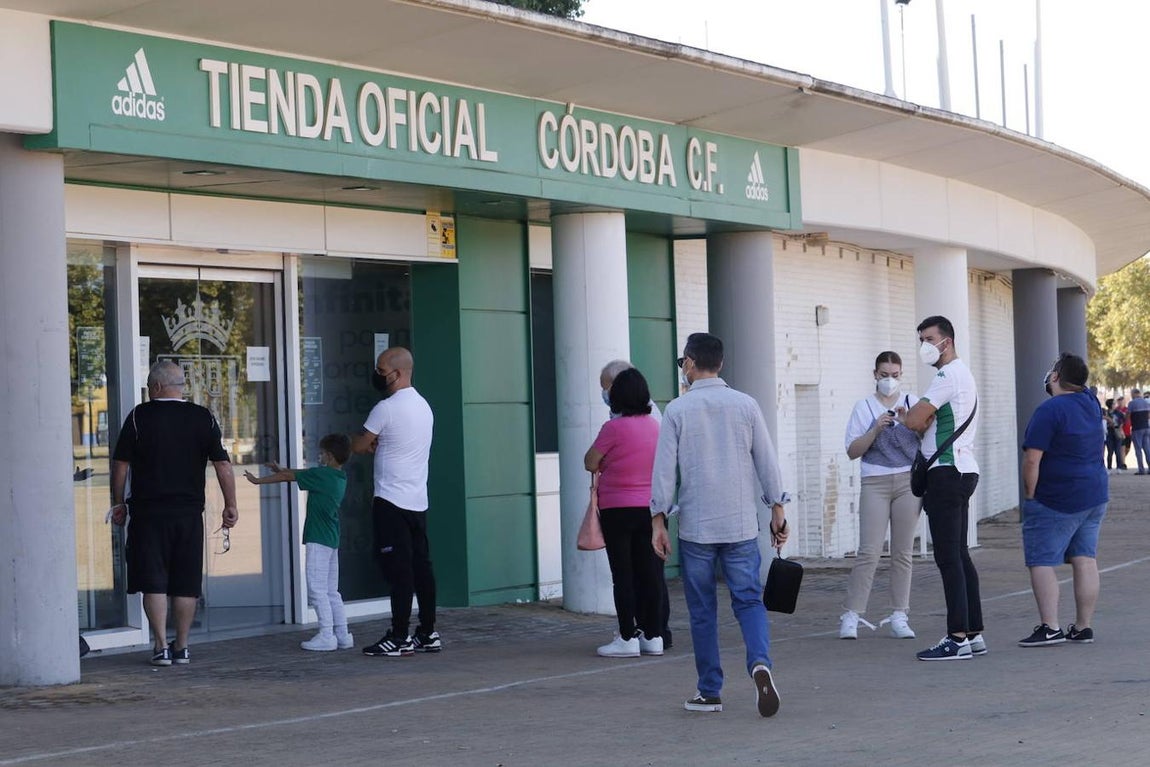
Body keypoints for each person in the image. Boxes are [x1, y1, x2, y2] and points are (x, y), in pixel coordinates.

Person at [650, 332, 788, 717]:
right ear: (721, 364)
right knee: (748, 600)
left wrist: (658, 520)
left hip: (697, 525)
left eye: (683, 364)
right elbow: (766, 459)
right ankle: (760, 664)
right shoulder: (746, 405)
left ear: (691, 363)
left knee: (702, 609)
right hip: (741, 522)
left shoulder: (677, 410)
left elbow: (664, 472)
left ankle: (710, 691)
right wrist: (777, 507)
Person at [109, 360, 238, 666]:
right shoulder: (202, 417)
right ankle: (181, 646)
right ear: (180, 387)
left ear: (155, 387)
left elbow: (120, 464)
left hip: (149, 513)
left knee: (152, 580)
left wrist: (118, 503)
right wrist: (230, 505)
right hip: (189, 514)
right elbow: (222, 465)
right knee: (186, 581)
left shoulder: (140, 416)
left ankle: (159, 646)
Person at [903, 316, 984, 662]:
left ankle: (957, 638)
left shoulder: (946, 375)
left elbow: (912, 420)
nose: (924, 344)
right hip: (962, 471)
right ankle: (974, 633)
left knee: (947, 556)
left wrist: (920, 419)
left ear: (946, 341)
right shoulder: (963, 373)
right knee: (960, 554)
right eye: (921, 338)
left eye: (929, 338)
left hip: (946, 473)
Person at [353, 347, 439, 657]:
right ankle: (427, 632)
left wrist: (370, 440)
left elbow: (359, 445)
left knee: (399, 571)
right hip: (418, 499)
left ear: (397, 374)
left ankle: (399, 636)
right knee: (422, 568)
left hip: (390, 501)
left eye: (380, 370)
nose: (377, 375)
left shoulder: (385, 408)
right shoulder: (424, 406)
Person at [1018, 353, 1108, 647]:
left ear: (1056, 376)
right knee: (1085, 558)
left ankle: (1050, 627)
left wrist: (1030, 495)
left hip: (1057, 498)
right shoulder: (1091, 403)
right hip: (1094, 494)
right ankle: (1083, 627)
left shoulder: (1050, 410)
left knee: (1041, 560)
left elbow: (1032, 459)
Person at [840, 351, 922, 640]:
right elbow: (852, 451)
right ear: (875, 374)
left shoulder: (912, 402)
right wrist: (875, 428)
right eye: (884, 374)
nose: (890, 380)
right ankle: (851, 614)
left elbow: (926, 436)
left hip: (907, 481)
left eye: (895, 375)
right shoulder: (863, 407)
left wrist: (907, 421)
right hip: (874, 480)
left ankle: (900, 614)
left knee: (902, 552)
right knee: (869, 551)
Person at [245, 433, 354, 651]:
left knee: (317, 589)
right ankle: (343, 635)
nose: (320, 456)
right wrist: (281, 469)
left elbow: (289, 477)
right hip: (332, 539)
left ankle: (326, 635)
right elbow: (302, 474)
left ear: (330, 456)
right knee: (332, 591)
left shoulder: (322, 475)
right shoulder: (337, 477)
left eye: (322, 453)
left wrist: (259, 481)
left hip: (318, 539)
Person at [585, 367, 664, 658]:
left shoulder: (613, 429)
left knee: (623, 574)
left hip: (617, 508)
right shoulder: (656, 426)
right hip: (650, 508)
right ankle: (653, 635)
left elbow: (590, 462)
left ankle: (627, 637)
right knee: (649, 573)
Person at [1126, 389, 1150, 474]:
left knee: (1138, 449)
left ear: (1134, 394)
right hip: (1146, 428)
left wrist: (1127, 425)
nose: (1131, 396)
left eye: (1131, 394)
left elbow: (1128, 415)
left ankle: (1141, 469)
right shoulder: (1146, 402)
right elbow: (1148, 415)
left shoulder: (1132, 403)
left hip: (1137, 428)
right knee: (1147, 449)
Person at [1104, 398, 1124, 473]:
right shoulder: (1105, 413)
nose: (1115, 405)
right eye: (1114, 403)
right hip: (1109, 432)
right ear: (1110, 405)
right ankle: (1109, 468)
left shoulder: (1118, 412)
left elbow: (1123, 420)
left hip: (1117, 431)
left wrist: (1120, 427)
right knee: (1110, 451)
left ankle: (1119, 467)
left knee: (1118, 451)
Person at [1116, 396, 1132, 469]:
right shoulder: (1116, 410)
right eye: (1119, 401)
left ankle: (1121, 459)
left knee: (1128, 448)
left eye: (1122, 401)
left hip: (1128, 431)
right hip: (1121, 432)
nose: (1121, 403)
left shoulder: (1127, 409)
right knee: (1122, 448)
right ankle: (1123, 463)